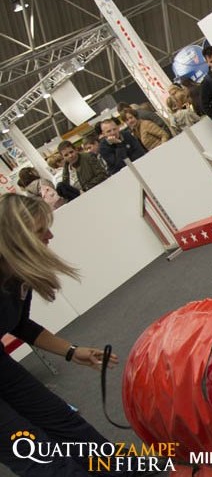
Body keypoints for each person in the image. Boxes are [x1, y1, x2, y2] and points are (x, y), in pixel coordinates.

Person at [0, 193, 127, 475]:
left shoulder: (18, 273)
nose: (50, 235)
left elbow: (20, 324)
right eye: (40, 230)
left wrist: (72, 351)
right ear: (13, 238)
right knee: (33, 450)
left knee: (62, 421)